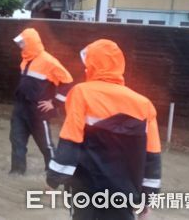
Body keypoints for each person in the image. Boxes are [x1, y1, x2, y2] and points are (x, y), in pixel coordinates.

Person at [46, 39, 162, 220]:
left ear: (92, 65)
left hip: (87, 188)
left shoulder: (81, 92)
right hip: (125, 194)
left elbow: (71, 139)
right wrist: (148, 198)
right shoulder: (144, 104)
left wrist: (53, 179)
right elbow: (152, 156)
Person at [10, 28, 73, 175]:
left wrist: (55, 103)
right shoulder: (25, 60)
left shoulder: (48, 61)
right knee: (16, 140)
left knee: (46, 145)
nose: (20, 45)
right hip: (20, 109)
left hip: (38, 111)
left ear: (30, 42)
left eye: (23, 43)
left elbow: (68, 82)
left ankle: (53, 173)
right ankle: (17, 171)